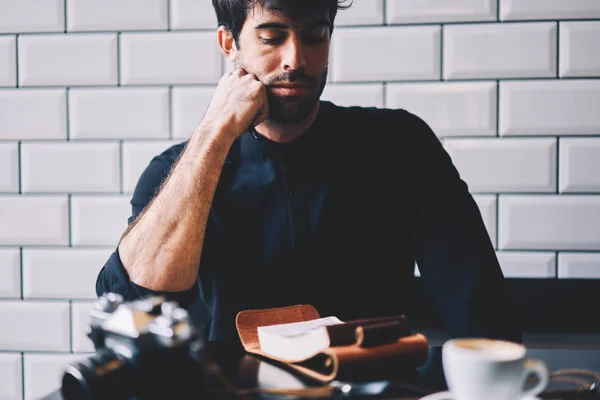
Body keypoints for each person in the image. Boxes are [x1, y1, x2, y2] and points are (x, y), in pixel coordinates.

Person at [96, 0, 522, 344]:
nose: (295, 59)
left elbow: (481, 311)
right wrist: (213, 134)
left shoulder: (401, 147)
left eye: (315, 36)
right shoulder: (175, 173)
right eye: (271, 37)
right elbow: (134, 303)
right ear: (229, 44)